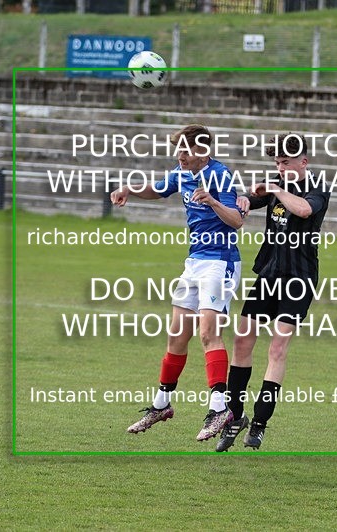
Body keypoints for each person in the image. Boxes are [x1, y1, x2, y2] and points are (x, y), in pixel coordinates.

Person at [110, 124, 243, 441]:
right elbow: (157, 189)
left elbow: (237, 221)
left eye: (186, 150)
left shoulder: (221, 176)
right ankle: (161, 404)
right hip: (194, 262)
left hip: (220, 262)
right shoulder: (181, 173)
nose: (180, 155)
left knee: (208, 333)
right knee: (176, 336)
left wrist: (213, 202)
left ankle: (219, 409)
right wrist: (130, 189)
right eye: (178, 150)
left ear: (203, 152)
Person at [215, 133, 331, 451]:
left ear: (303, 162)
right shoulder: (274, 184)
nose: (280, 168)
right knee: (241, 341)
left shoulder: (318, 188)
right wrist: (242, 200)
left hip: (299, 279)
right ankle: (234, 417)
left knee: (277, 349)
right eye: (277, 163)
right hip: (268, 273)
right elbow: (250, 199)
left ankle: (260, 423)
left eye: (286, 163)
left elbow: (304, 210)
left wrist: (277, 190)